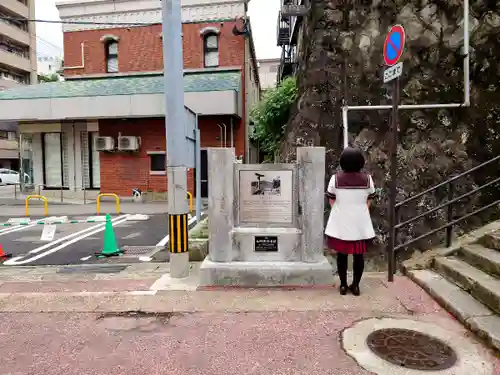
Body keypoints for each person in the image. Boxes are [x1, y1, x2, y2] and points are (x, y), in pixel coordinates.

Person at [325, 147, 376, 296]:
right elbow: (370, 198)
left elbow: (331, 198)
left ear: (342, 162)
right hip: (360, 223)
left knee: (342, 254)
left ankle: (342, 285)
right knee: (359, 255)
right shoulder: (367, 179)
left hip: (341, 222)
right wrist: (362, 209)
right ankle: (356, 286)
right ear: (361, 162)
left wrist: (340, 211)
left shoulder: (335, 179)